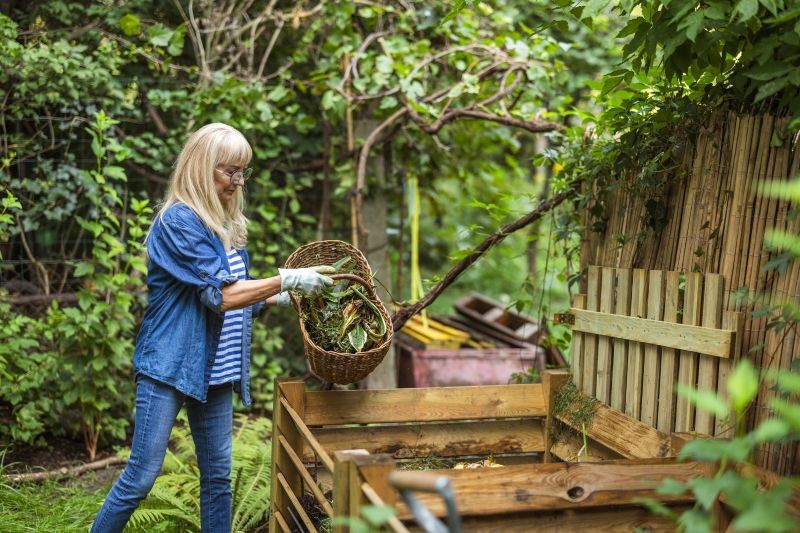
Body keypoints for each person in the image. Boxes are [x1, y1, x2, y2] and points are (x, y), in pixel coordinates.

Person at [91, 123, 332, 533]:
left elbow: (239, 297)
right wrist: (286, 279)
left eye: (243, 172)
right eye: (230, 171)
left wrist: (284, 296)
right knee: (141, 477)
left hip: (216, 371)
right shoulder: (178, 221)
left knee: (218, 479)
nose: (239, 182)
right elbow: (221, 296)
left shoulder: (226, 225)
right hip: (169, 364)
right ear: (202, 168)